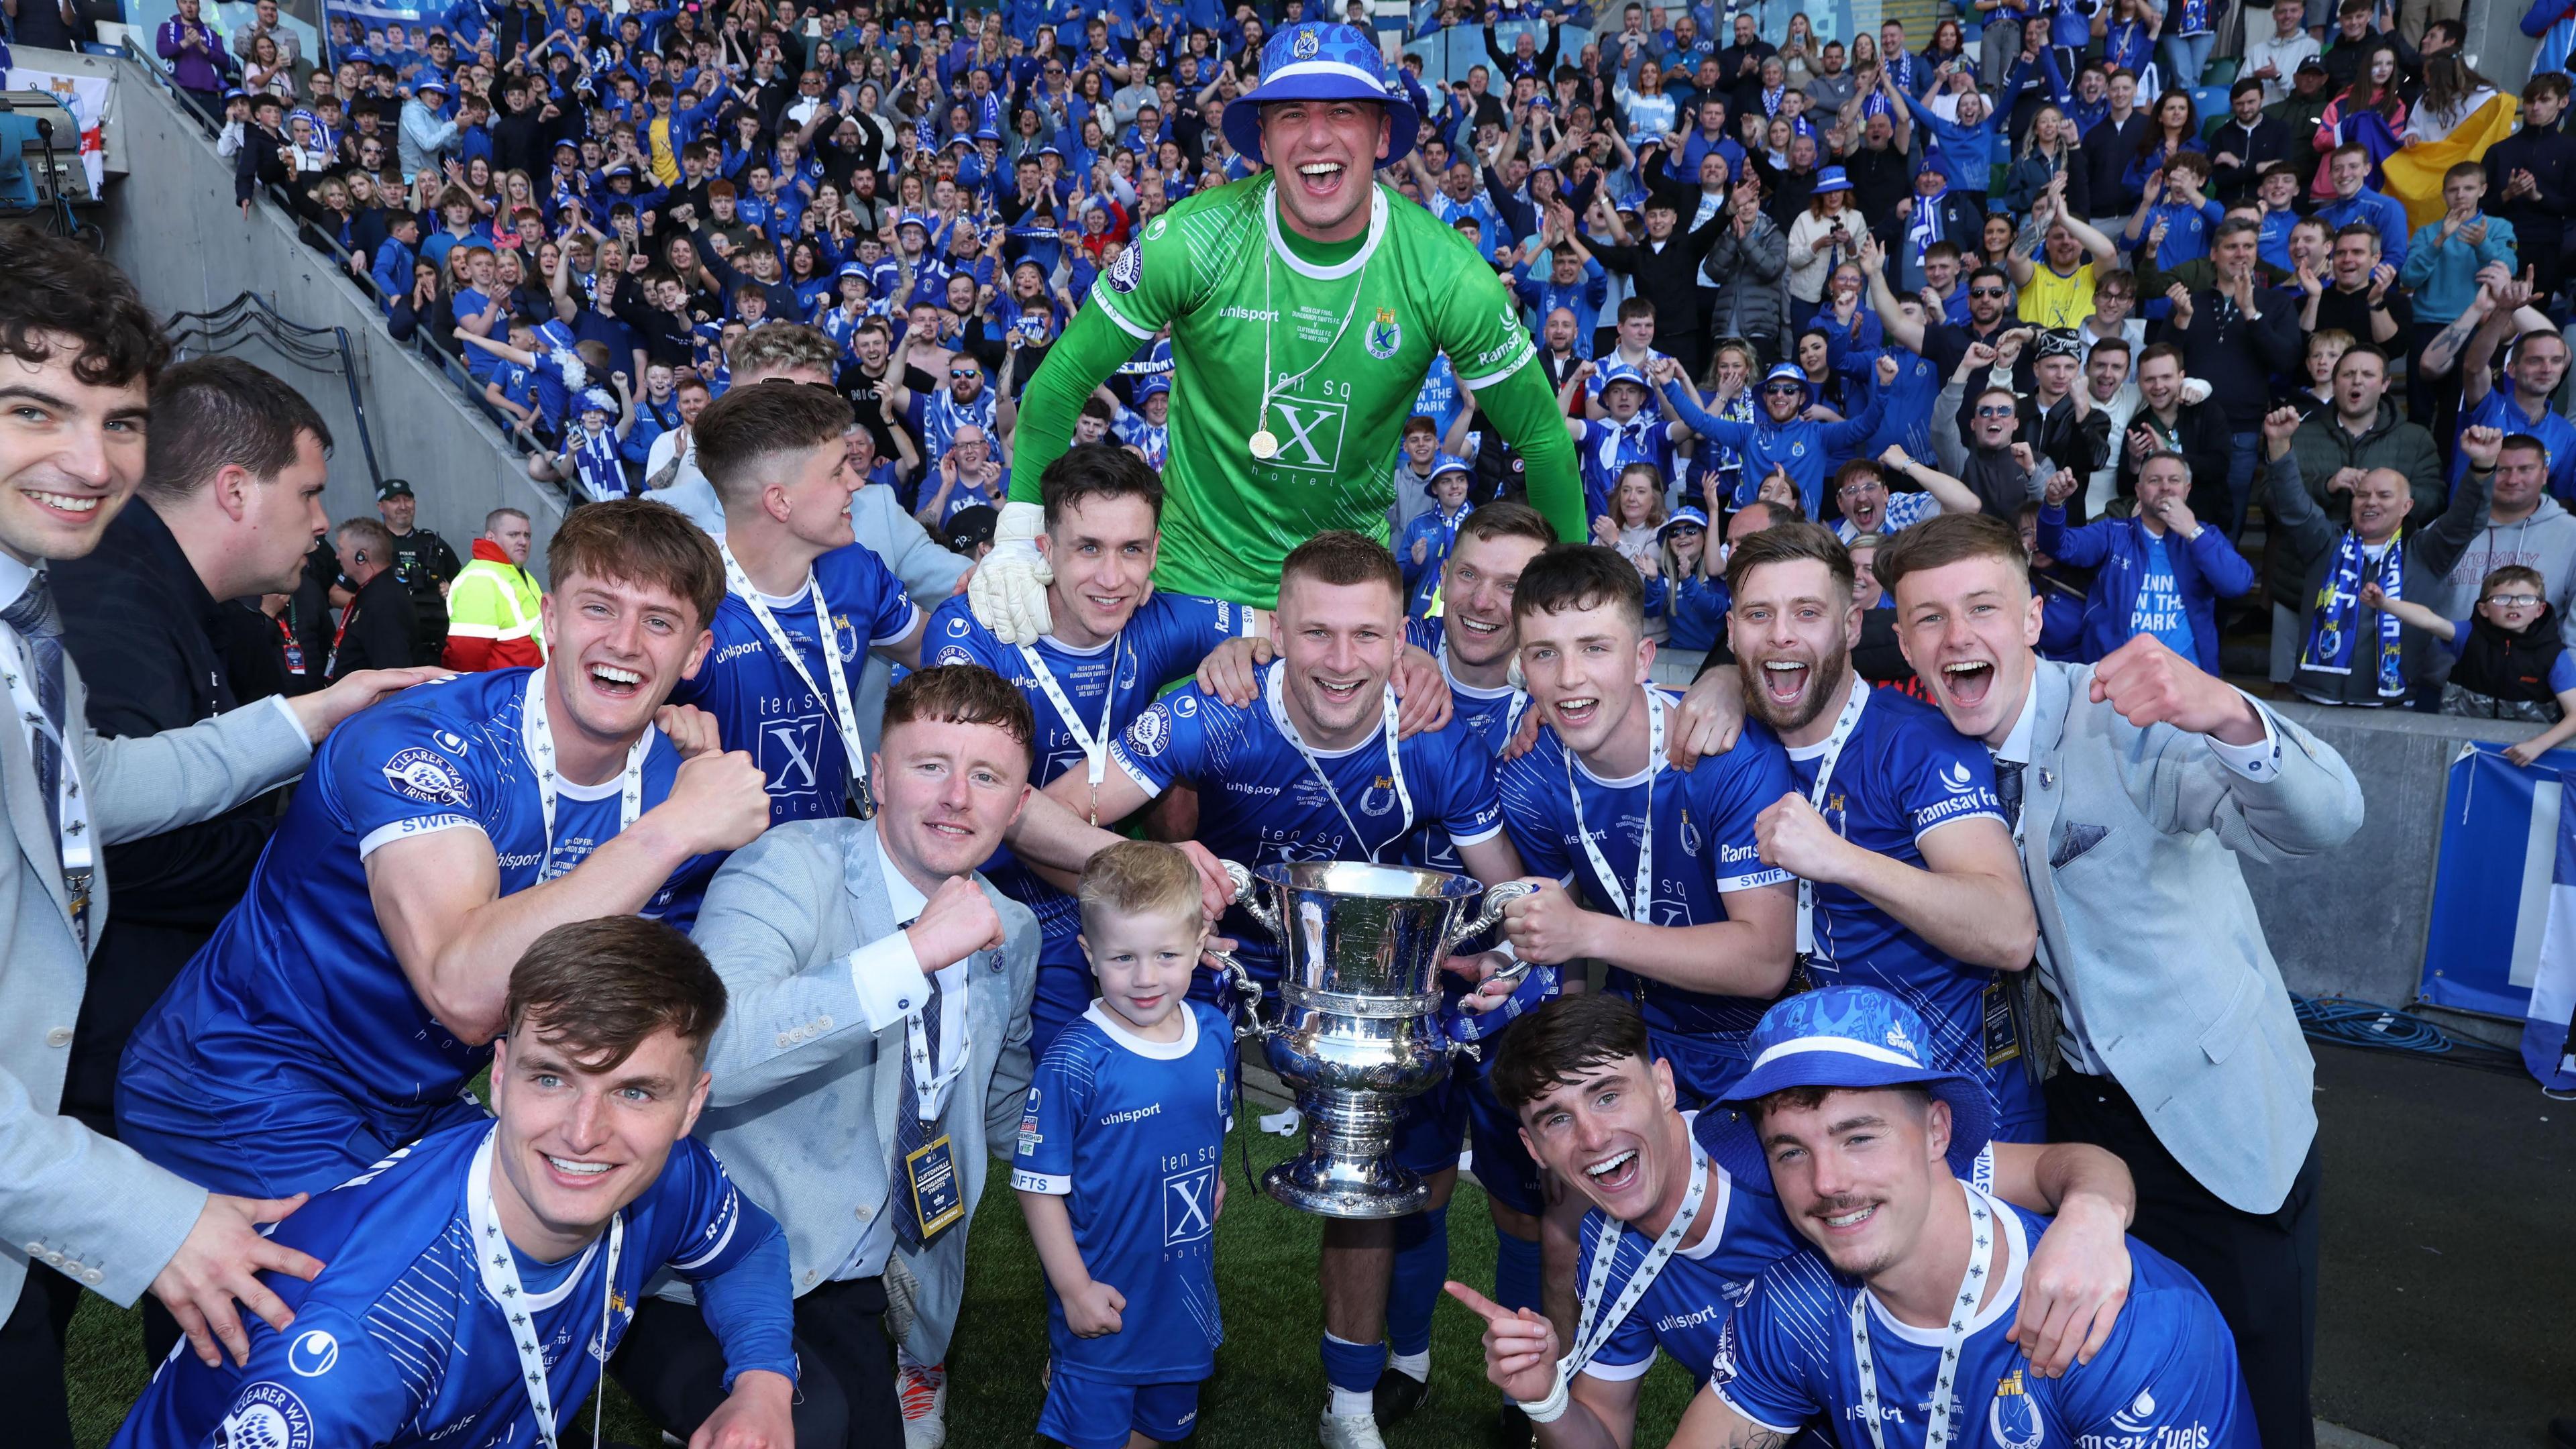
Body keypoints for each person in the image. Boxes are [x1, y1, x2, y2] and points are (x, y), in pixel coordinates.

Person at [0, 223, 443, 1449]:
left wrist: (316, 714)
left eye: (120, 420)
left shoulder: (27, 598)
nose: (91, 461)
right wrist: (159, 1220)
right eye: (32, 410)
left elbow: (96, 780)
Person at [117, 499, 776, 1204]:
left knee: (687, 1215)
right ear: (550, 620)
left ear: (697, 652)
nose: (624, 642)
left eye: (659, 621)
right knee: (387, 1298)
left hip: (416, 1102)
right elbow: (463, 990)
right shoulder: (424, 741)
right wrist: (671, 832)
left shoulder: (683, 784)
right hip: (247, 1077)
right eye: (598, 608)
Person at [1876, 511, 2365, 1449]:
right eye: (1928, 619)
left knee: (2252, 1403)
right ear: (1902, 642)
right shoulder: (1916, 743)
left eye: (1983, 607)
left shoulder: (2128, 717)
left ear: (2032, 617)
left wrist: (2226, 710)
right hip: (2058, 1123)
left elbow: (2329, 822)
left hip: (2212, 1122)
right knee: (2090, 1386)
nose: (1957, 636)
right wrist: (1728, 682)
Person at [1083, 531, 1523, 1449]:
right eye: (1315, 633)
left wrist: (1496, 951)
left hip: (1357, 978)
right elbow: (1052, 804)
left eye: (1368, 636)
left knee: (1364, 1169)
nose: (1340, 660)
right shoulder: (1215, 709)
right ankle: (1134, 1369)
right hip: (1213, 959)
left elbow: (1507, 889)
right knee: (1150, 1158)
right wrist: (1160, 863)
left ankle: (1351, 1407)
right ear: (1274, 628)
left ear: (1406, 634)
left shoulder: (1435, 737)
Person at [981, 22, 1585, 637]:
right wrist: (1017, 532)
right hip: (1193, 585)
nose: (1317, 136)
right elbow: (1061, 382)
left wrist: (1561, 607)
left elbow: (1540, 438)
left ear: (1382, 135)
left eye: (1344, 111)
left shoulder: (1448, 274)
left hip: (1342, 593)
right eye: (1293, 114)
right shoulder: (1190, 240)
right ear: (1263, 139)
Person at [107, 916, 800, 1449]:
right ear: (499, 1076)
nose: (586, 1134)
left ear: (691, 1106)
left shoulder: (666, 1176)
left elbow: (751, 1247)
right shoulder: (367, 1342)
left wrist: (764, 1382)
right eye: (552, 1078)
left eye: (637, 1093)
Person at [619, 663, 1046, 1449]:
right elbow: (716, 1054)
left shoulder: (1012, 929)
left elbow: (1004, 1104)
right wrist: (914, 953)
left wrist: (1120, 1161)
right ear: (879, 778)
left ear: (1019, 805)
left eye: (986, 777)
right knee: (810, 1431)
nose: (957, 797)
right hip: (703, 1269)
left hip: (858, 1277)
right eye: (930, 767)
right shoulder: (784, 866)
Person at [1446, 989, 2151, 1446]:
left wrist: (2090, 1219)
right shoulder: (1607, 1248)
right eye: (1556, 1121)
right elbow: (1602, 1432)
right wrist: (1544, 1400)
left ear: (1662, 1085)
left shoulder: (1793, 1153)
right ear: (1533, 1147)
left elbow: (2069, 1166)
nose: (1593, 1139)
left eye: (1607, 1096)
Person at [1640, 985, 2256, 1448]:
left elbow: (2068, 1168)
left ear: (1937, 1130)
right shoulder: (1793, 1309)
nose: (1826, 1183)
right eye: (1792, 1151)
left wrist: (2094, 1209)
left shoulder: (2127, 1330)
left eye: (1858, 1138)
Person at [920, 446, 1263, 1063]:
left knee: (1187, 1047)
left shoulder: (1158, 619)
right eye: (1088, 548)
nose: (1111, 578)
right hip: (984, 890)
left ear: (1155, 551)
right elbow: (980, 804)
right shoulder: (975, 628)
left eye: (1131, 550)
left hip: (1089, 885)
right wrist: (1152, 876)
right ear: (1044, 551)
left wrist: (1246, 650)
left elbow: (1308, 632)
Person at [1722, 523, 2044, 1141]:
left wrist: (1842, 860)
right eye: (1759, 614)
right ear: (1732, 630)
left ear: (1849, 627)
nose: (1781, 633)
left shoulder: (1918, 744)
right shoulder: (1730, 740)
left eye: (1807, 612)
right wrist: (1714, 687)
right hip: (1825, 1097)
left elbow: (2009, 932)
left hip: (1960, 1104)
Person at [1494, 543, 1798, 1110]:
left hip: (1757, 1044)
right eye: (1544, 653)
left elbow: (1764, 962)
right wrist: (1514, 975)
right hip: (1630, 1034)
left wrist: (1588, 932)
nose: (1569, 677)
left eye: (1595, 648)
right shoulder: (1528, 779)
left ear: (1641, 658)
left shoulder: (1728, 754)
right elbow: (1562, 955)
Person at [1010, 841, 1236, 1449]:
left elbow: (1210, 1126)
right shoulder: (1075, 1062)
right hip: (1104, 1305)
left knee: (1159, 1434)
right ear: (1089, 955)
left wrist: (1212, 1180)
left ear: (1199, 944)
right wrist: (1074, 1291)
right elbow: (1038, 1188)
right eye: (1122, 957)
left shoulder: (1214, 1033)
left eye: (1166, 955)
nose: (1144, 978)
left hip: (1181, 1301)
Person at [663, 382, 927, 824]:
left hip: (827, 853)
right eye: (838, 470)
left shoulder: (855, 570)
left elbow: (939, 650)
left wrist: (984, 608)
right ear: (780, 501)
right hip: (712, 874)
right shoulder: (680, 597)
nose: (857, 483)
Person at [2267, 416, 2501, 707]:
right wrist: (2279, 446)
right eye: (2362, 494)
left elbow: (2463, 521)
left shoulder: (2425, 553)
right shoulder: (2326, 542)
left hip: (2391, 703)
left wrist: (2482, 469)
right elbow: (2293, 506)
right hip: (2314, 696)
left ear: (2407, 506)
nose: (2371, 502)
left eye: (2384, 495)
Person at [2037, 450, 2258, 674]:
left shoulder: (2204, 536)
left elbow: (2238, 584)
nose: (2165, 487)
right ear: (2139, 491)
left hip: (2186, 680)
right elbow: (2058, 546)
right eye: (2155, 480)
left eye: (2174, 480)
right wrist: (2054, 505)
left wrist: (2193, 532)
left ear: (2187, 490)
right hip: (2116, 677)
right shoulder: (2114, 532)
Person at [2368, 564, 2576, 751]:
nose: (2514, 605)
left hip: (2524, 752)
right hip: (2460, 746)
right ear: (2483, 609)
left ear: (2540, 609)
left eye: (2526, 599)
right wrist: (2385, 603)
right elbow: (2428, 620)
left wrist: (2538, 746)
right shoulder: (2468, 634)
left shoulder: (2554, 655)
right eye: (2502, 599)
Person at [441, 506, 546, 670]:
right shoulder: (480, 578)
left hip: (525, 682)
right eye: (513, 535)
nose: (523, 541)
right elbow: (466, 652)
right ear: (490, 537)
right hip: (505, 688)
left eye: (527, 535)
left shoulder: (515, 571)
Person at [371, 478, 462, 666]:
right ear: (381, 506)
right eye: (395, 501)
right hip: (392, 648)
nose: (403, 506)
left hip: (436, 648)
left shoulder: (434, 543)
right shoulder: (373, 545)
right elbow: (336, 594)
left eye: (408, 500)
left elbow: (465, 584)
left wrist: (453, 590)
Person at [323, 518, 421, 681]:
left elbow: (393, 676)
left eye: (341, 550)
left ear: (361, 557)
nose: (337, 557)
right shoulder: (373, 592)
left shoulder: (385, 603)